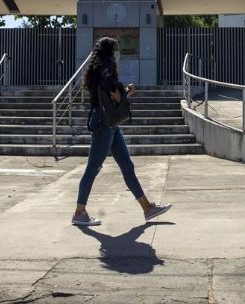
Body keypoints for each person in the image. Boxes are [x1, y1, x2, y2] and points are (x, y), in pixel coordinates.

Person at [72, 37, 172, 226]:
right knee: (93, 168)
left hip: (108, 123)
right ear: (110, 53)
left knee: (127, 165)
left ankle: (147, 209)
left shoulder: (95, 71)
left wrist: (122, 91)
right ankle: (79, 212)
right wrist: (127, 91)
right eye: (116, 50)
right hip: (104, 124)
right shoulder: (106, 72)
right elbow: (116, 95)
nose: (118, 53)